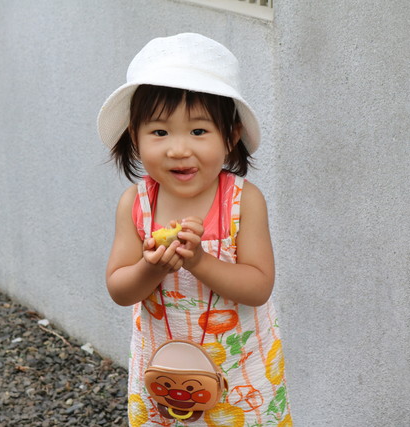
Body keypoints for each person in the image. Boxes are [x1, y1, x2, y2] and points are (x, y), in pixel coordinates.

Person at [98, 33, 291, 426]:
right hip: (164, 374)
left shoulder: (243, 201)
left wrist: (200, 262)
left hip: (239, 372)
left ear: (230, 137)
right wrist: (150, 269)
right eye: (160, 132)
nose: (178, 149)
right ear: (134, 137)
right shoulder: (136, 204)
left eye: (199, 131)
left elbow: (259, 286)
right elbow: (119, 289)